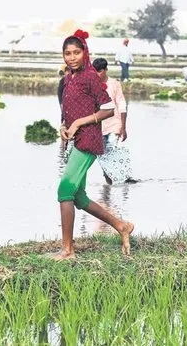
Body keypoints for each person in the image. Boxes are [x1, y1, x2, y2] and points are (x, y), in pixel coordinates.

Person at [53, 29, 134, 261]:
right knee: (78, 197)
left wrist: (79, 122)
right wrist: (64, 126)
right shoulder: (68, 78)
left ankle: (67, 250)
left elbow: (108, 108)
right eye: (67, 53)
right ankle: (121, 225)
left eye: (76, 52)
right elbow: (66, 109)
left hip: (88, 140)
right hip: (76, 139)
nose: (72, 57)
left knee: (64, 191)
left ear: (84, 53)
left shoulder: (90, 76)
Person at [92, 58, 136, 185]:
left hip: (114, 125)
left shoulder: (114, 84)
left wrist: (123, 127)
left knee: (111, 152)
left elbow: (122, 104)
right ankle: (110, 186)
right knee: (103, 157)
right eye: (96, 71)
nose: (98, 74)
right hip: (98, 126)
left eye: (101, 71)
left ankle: (122, 180)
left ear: (106, 70)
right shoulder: (92, 85)